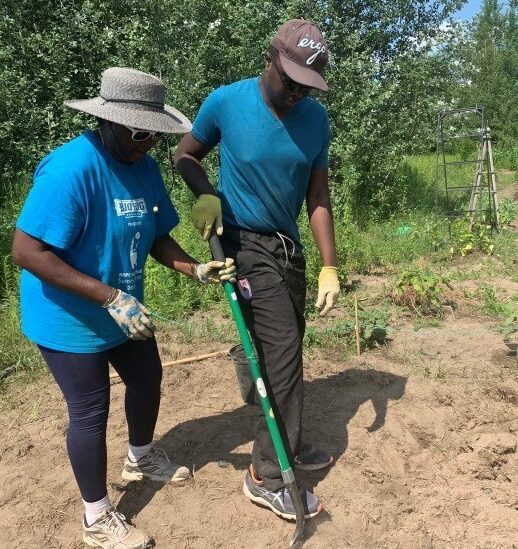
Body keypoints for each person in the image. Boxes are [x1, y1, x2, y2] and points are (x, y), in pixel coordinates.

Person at [12, 67, 235, 549]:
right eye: (138, 133)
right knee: (91, 409)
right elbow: (27, 252)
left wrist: (194, 269)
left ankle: (140, 457)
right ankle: (97, 519)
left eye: (154, 136)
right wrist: (107, 296)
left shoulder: (144, 168)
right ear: (108, 122)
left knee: (147, 376)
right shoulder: (71, 169)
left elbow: (156, 236)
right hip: (68, 315)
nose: (146, 143)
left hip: (124, 307)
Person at [174, 19, 340, 520]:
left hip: (288, 250)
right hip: (242, 242)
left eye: (306, 87)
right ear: (269, 59)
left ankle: (284, 437)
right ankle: (267, 474)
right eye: (290, 82)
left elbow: (317, 195)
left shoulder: (316, 121)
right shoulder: (226, 102)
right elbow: (185, 155)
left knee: (284, 347)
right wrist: (204, 193)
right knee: (282, 348)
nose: (295, 95)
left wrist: (330, 264)